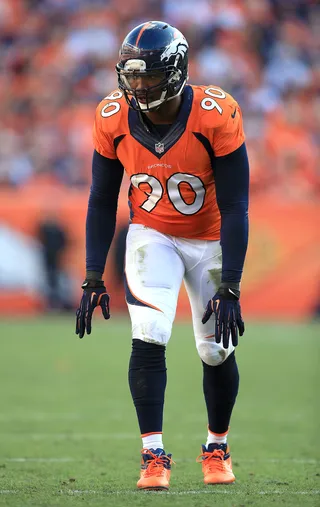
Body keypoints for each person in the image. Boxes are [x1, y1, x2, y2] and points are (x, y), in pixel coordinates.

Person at [75, 20, 249, 491]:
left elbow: (235, 205)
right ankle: (153, 454)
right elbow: (99, 198)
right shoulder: (111, 115)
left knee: (215, 349)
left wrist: (231, 282)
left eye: (147, 75)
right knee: (149, 333)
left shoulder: (215, 112)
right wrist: (93, 274)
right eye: (130, 75)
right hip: (153, 234)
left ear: (174, 72)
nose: (137, 85)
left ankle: (217, 445)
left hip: (210, 237)